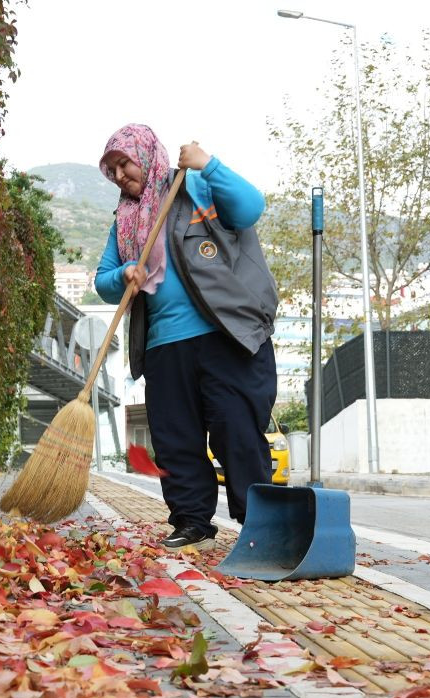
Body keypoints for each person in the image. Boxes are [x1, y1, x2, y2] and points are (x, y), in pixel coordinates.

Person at [94, 124, 278, 550]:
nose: (120, 175)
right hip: (163, 345)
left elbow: (250, 208)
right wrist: (124, 274)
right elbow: (103, 280)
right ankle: (191, 520)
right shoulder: (123, 221)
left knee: (237, 428)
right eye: (112, 170)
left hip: (225, 333)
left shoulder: (194, 187)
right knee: (175, 438)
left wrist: (208, 164)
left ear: (147, 155)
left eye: (125, 163)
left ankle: (259, 524)